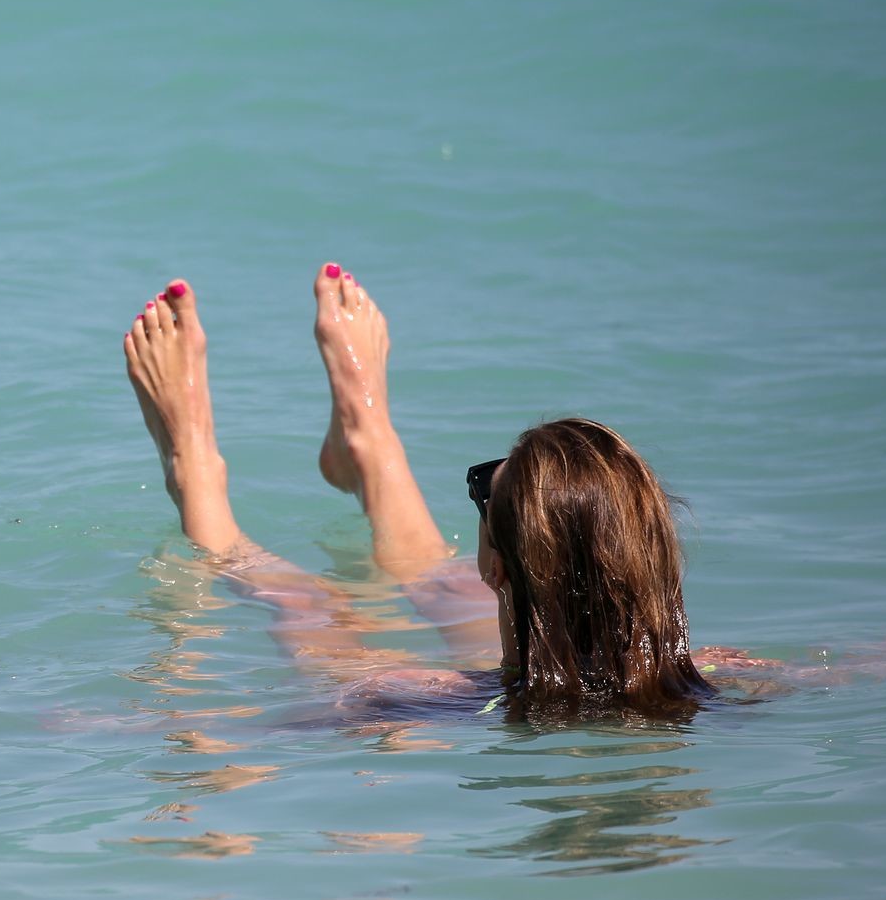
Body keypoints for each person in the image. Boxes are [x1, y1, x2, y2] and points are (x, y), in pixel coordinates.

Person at [123, 264, 752, 721]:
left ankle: (194, 469)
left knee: (310, 606)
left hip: (482, 691)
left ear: (496, 565)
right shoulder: (714, 673)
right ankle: (366, 441)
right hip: (548, 668)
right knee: (451, 587)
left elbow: (242, 731)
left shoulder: (409, 694)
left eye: (485, 494)